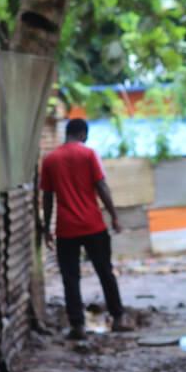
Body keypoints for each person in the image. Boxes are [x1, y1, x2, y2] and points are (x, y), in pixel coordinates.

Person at [40, 118, 131, 340]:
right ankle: (118, 318)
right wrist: (114, 216)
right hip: (93, 225)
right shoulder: (89, 155)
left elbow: (47, 197)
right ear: (83, 134)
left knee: (70, 278)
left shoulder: (50, 160)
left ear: (67, 133)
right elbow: (101, 186)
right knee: (105, 272)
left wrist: (46, 228)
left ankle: (78, 326)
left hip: (66, 229)